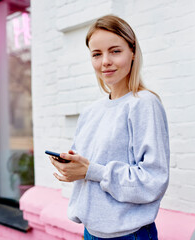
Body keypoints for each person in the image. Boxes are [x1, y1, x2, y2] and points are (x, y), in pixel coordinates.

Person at [49, 15, 170, 240]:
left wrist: (91, 170)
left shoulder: (144, 104)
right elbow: (90, 169)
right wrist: (73, 166)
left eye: (115, 51)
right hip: (91, 232)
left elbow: (153, 181)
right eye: (97, 54)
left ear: (132, 52)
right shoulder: (90, 111)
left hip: (128, 235)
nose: (105, 61)